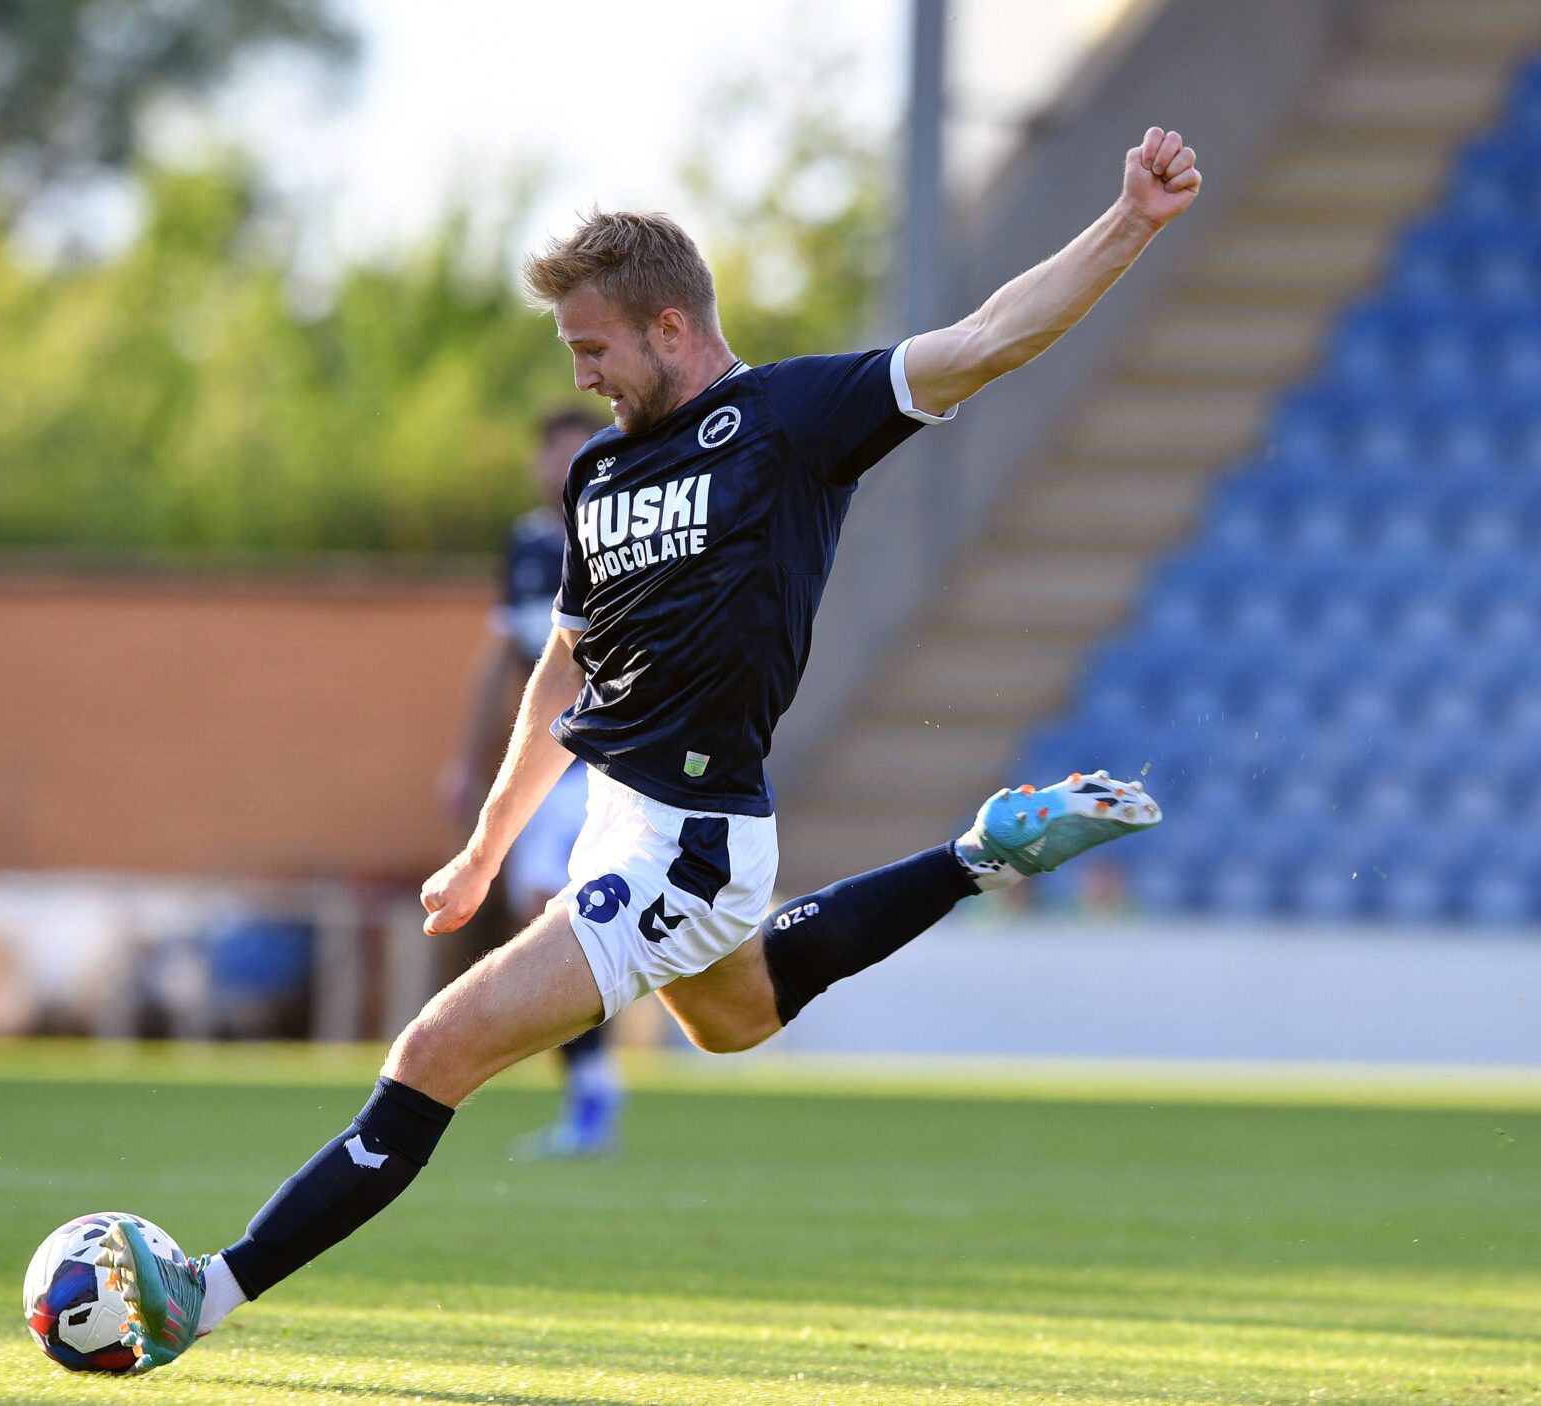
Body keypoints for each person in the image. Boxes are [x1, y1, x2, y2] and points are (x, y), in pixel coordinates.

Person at [101, 127, 1200, 1370]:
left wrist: (1129, 219)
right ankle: (980, 851)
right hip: (619, 823)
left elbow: (987, 336)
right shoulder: (602, 473)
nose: (582, 378)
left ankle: (203, 1293)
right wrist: (485, 848)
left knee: (433, 1051)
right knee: (732, 1019)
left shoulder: (789, 419)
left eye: (593, 350)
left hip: (688, 837)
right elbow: (561, 669)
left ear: (669, 326)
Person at [441, 405, 624, 1160]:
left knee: (562, 917)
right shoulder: (525, 545)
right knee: (542, 921)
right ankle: (590, 1088)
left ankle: (594, 1092)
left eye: (576, 452)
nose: (561, 467)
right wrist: (465, 761)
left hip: (601, 763)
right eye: (551, 453)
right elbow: (503, 658)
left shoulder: (621, 528)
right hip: (538, 766)